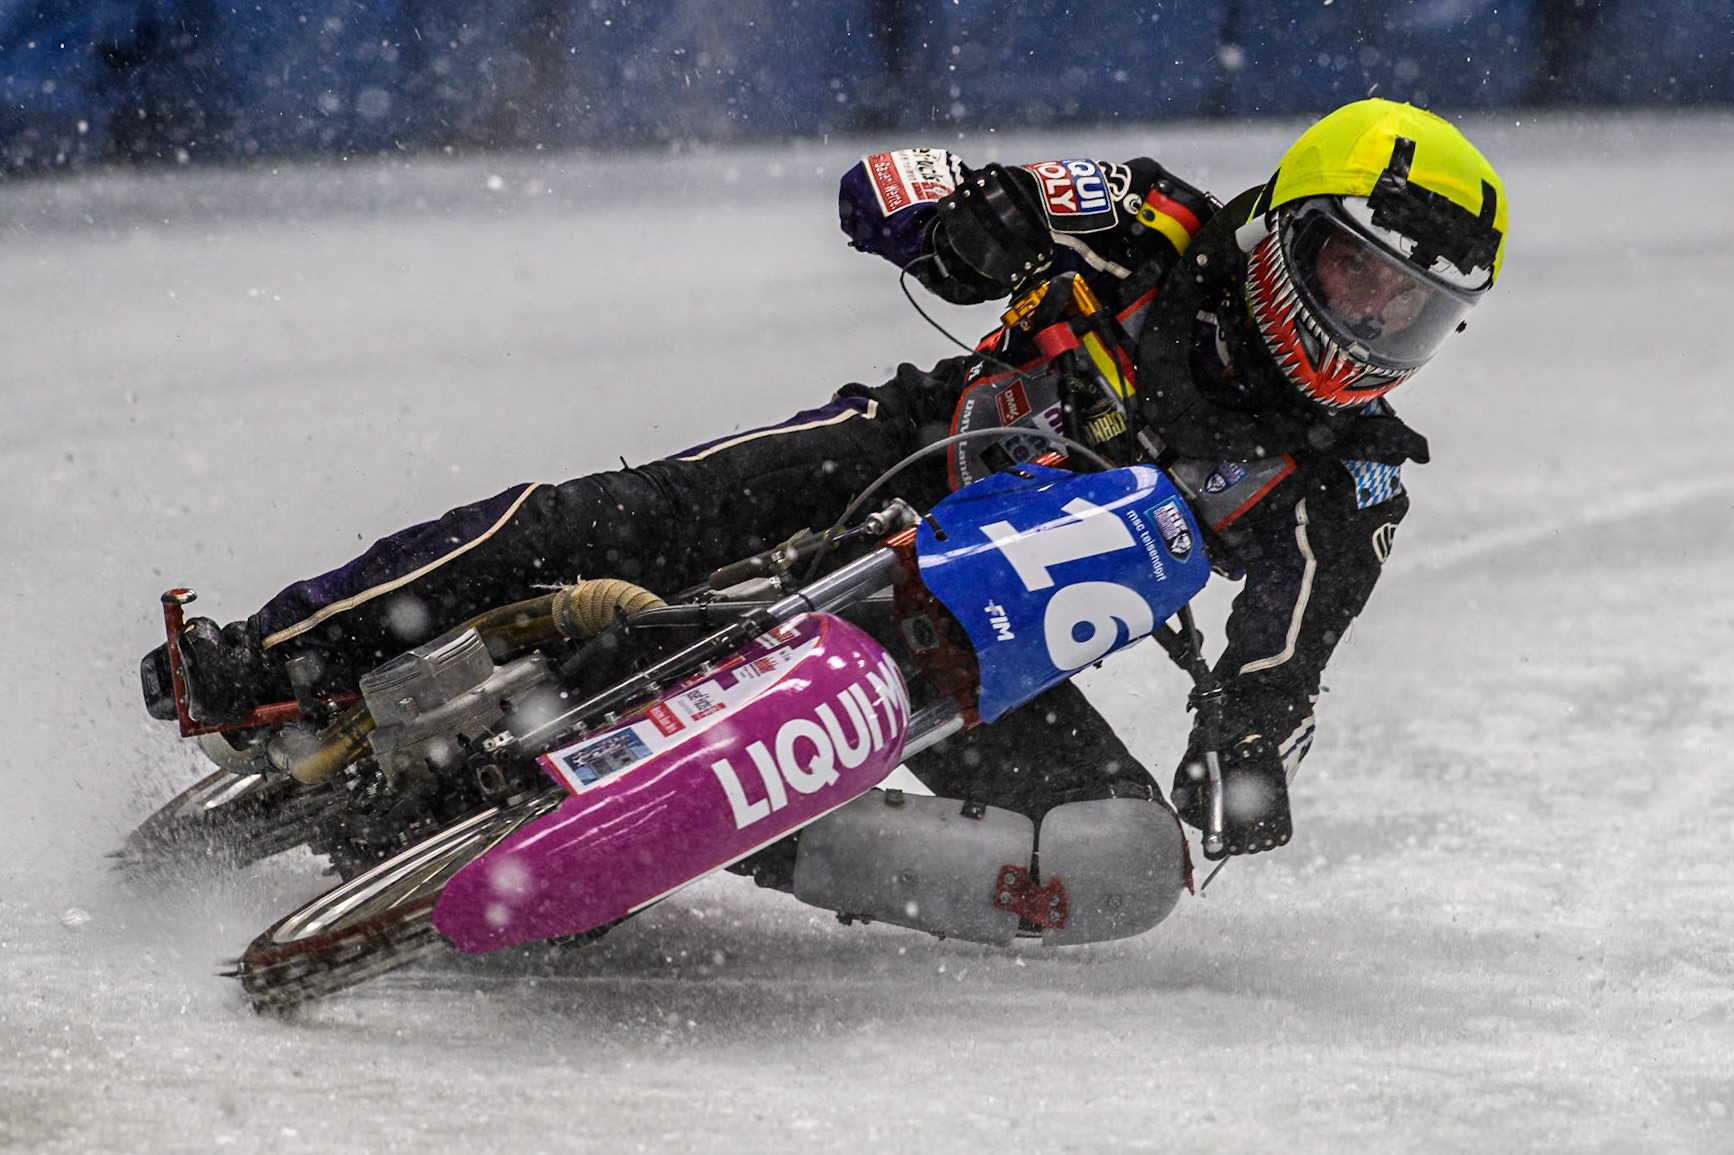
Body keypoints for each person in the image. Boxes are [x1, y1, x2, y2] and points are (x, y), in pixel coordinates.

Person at [140, 99, 1506, 941]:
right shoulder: (1150, 223)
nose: (1369, 326)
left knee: (1125, 868)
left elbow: (1280, 667)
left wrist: (1245, 760)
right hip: (890, 457)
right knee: (595, 517)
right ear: (1284, 226)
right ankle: (267, 659)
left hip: (977, 651)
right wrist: (962, 221)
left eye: (1412, 310)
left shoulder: (1346, 481)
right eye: (1353, 274)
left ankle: (739, 829)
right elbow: (902, 188)